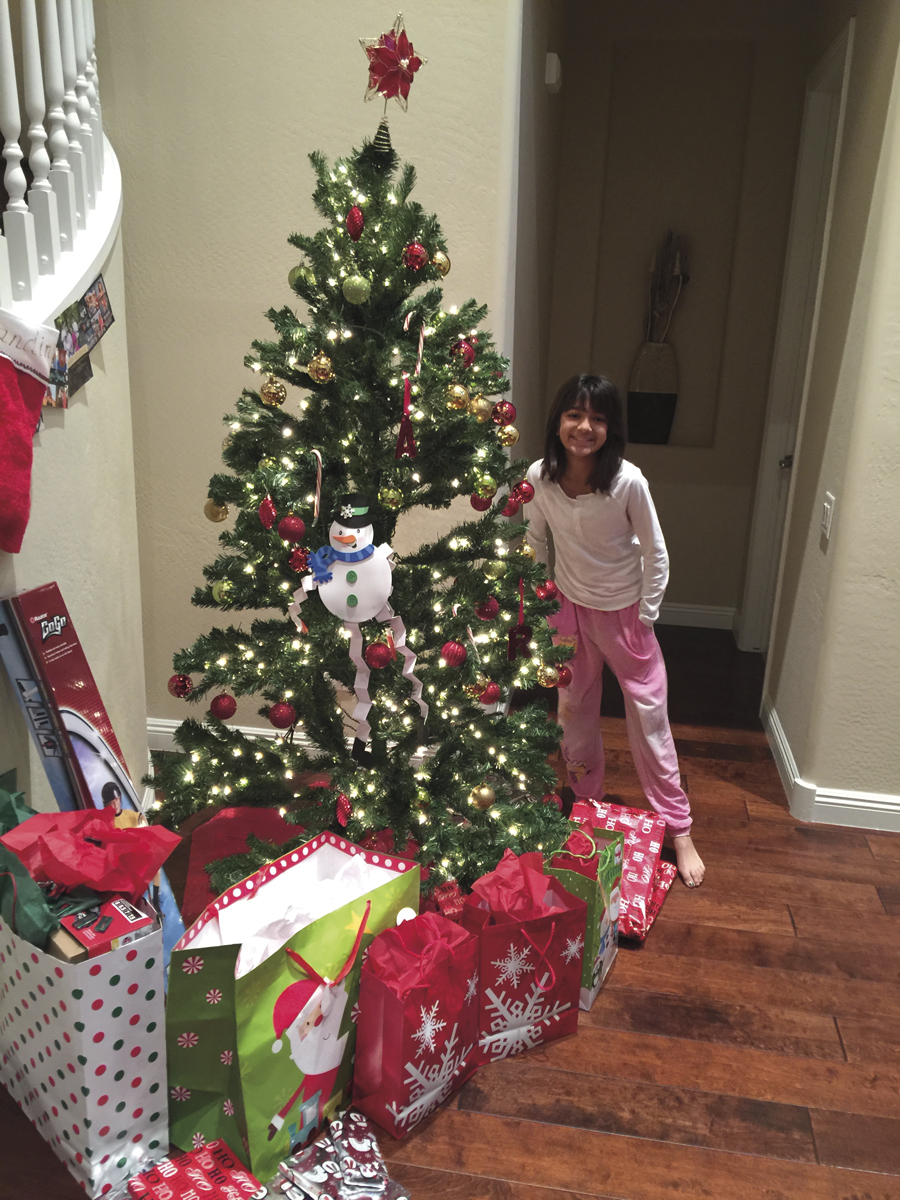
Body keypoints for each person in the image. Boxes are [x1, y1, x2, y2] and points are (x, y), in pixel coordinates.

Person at [525, 374, 705, 887]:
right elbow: (536, 541)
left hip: (625, 616)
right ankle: (586, 803)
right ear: (558, 420)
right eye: (574, 415)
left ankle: (679, 827)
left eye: (597, 418)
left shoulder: (629, 482)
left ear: (611, 428)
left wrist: (646, 615)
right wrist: (543, 604)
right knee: (573, 711)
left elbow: (656, 552)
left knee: (649, 720)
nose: (584, 427)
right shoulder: (540, 477)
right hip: (567, 611)